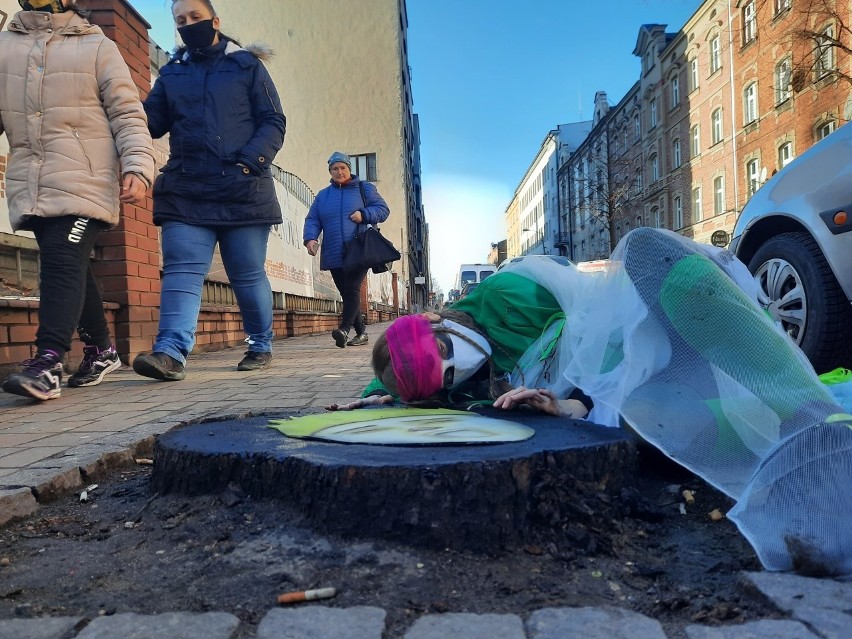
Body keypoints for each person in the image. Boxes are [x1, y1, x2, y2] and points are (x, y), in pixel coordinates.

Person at [337, 227, 852, 577]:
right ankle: (789, 453)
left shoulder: (509, 292)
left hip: (662, 334)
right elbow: (401, 378)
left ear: (433, 320)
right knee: (653, 425)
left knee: (653, 253)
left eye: (446, 351)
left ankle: (804, 408)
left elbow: (601, 322)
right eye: (445, 378)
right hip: (636, 398)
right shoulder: (461, 391)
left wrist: (581, 397)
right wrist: (375, 397)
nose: (460, 370)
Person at [0, 0, 155, 401]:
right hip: (33, 180)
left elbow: (127, 113)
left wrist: (138, 166)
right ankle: (102, 350)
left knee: (61, 261)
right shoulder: (5, 46)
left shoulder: (97, 46)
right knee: (70, 264)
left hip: (87, 176)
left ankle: (48, 361)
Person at [132, 0, 287, 381]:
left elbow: (273, 120)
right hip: (187, 189)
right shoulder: (172, 74)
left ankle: (260, 343)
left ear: (215, 21)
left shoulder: (246, 65)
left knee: (247, 274)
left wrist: (250, 163)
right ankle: (170, 352)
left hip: (243, 188)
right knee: (182, 271)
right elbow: (152, 123)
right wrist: (121, 98)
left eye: (195, 17)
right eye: (180, 21)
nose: (188, 25)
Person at [303, 152, 390, 348]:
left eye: (342, 168)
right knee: (347, 293)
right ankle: (362, 333)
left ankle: (343, 329)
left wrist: (364, 214)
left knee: (352, 288)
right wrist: (310, 238)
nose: (339, 171)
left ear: (349, 169)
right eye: (335, 168)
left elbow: (383, 210)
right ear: (330, 171)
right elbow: (313, 219)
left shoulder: (364, 188)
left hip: (359, 249)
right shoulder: (323, 195)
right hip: (333, 250)